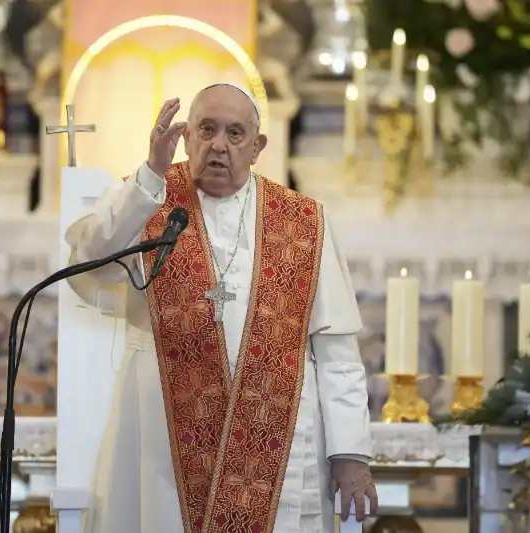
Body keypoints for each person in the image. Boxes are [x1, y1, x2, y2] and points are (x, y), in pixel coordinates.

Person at [65, 83, 377, 533]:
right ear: (186, 136)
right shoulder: (147, 200)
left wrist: (350, 454)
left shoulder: (303, 221)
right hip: (164, 441)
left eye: (235, 134)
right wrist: (150, 174)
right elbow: (92, 259)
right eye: (206, 130)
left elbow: (337, 350)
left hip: (274, 447)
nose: (218, 145)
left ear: (257, 147)